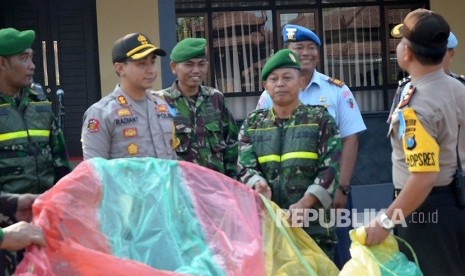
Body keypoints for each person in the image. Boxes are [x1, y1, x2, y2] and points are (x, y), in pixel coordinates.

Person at [365, 9, 465, 275]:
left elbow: (423, 177)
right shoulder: (459, 89)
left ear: (407, 53)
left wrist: (386, 220)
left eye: (400, 43)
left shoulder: (416, 106)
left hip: (428, 212)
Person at [257, 24, 366, 266]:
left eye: (311, 48)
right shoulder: (270, 94)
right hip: (284, 197)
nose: (306, 53)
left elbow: (350, 139)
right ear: (288, 52)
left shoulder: (336, 90)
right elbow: (258, 141)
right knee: (287, 258)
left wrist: (343, 188)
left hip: (329, 192)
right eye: (299, 48)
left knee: (337, 255)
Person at [237, 49, 342, 258]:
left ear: (300, 82)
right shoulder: (253, 123)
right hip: (268, 228)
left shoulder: (320, 120)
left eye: (287, 78)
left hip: (313, 229)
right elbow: (244, 165)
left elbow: (330, 169)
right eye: (273, 79)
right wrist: (257, 183)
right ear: (265, 86)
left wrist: (305, 203)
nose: (280, 84)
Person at [81, 33, 178, 160]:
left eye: (152, 62)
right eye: (142, 63)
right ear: (120, 68)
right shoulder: (101, 113)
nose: (151, 70)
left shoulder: (163, 106)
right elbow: (94, 171)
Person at [0, 27, 72, 195]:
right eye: (24, 59)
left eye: (31, 58)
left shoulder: (39, 104)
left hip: (43, 212)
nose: (32, 66)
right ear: (2, 63)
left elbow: (60, 162)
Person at [159, 38, 239, 178]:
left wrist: (233, 182)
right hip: (181, 189)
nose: (196, 70)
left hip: (216, 187)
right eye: (189, 64)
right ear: (173, 67)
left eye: (201, 64)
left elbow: (231, 144)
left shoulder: (216, 98)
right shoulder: (160, 102)